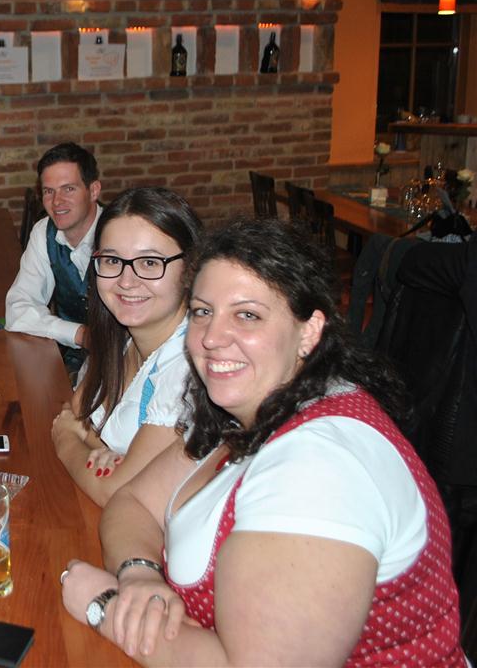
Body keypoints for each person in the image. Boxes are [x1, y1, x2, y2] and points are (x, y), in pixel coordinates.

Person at [60, 218, 465, 666]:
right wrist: (141, 576)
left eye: (247, 315)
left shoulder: (319, 467)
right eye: (202, 312)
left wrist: (106, 607)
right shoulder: (252, 409)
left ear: (309, 330)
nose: (212, 338)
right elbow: (132, 502)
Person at [51, 187, 201, 507]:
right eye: (112, 260)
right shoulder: (125, 338)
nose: (126, 281)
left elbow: (115, 492)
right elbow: (75, 411)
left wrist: (67, 439)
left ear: (190, 268)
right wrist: (104, 450)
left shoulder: (187, 368)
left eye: (149, 262)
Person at [5, 142, 102, 376]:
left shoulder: (119, 235)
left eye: (68, 189)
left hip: (122, 361)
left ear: (93, 191)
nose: (57, 201)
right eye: (49, 191)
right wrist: (79, 334)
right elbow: (18, 309)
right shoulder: (44, 232)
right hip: (71, 357)